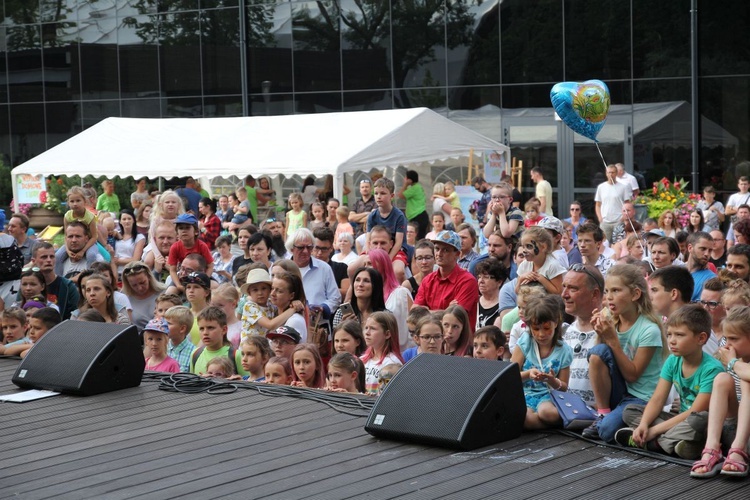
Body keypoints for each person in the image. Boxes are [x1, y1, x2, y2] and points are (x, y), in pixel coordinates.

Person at [614, 305, 723, 459]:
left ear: (701, 338)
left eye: (679, 335)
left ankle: (653, 443)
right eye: (669, 334)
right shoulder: (672, 361)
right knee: (630, 411)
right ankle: (677, 444)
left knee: (700, 419)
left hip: (700, 425)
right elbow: (658, 399)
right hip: (678, 421)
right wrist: (644, 424)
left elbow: (695, 411)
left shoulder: (712, 369)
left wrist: (654, 430)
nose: (672, 340)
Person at [583, 264, 665, 442]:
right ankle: (603, 413)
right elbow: (600, 358)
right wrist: (601, 334)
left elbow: (633, 375)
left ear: (635, 294)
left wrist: (613, 340)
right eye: (607, 291)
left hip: (642, 396)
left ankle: (643, 428)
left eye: (616, 291)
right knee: (598, 352)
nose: (609, 298)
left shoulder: (649, 329)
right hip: (621, 391)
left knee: (606, 432)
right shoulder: (612, 320)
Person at [689, 306, 750, 478]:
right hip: (734, 426)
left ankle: (738, 450)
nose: (728, 345)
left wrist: (732, 363)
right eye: (726, 339)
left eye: (734, 339)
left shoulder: (734, 360)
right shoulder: (736, 357)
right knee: (721, 379)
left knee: (747, 381)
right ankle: (711, 449)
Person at [511, 295, 573, 429]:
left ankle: (546, 422)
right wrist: (528, 374)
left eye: (546, 328)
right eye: (536, 329)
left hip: (549, 396)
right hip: (525, 395)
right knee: (525, 417)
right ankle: (547, 426)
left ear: (556, 323)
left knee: (547, 413)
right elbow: (509, 375)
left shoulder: (563, 350)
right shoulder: (525, 342)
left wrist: (552, 380)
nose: (541, 334)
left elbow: (564, 387)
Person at [414, 230, 479, 328]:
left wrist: (426, 311)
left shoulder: (467, 281)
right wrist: (445, 311)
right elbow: (414, 313)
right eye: (437, 248)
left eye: (445, 250)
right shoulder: (428, 280)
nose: (439, 253)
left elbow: (454, 319)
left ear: (457, 254)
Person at [561, 263, 604, 407]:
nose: (564, 295)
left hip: (598, 420)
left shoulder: (612, 332)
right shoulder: (563, 332)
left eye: (573, 288)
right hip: (566, 416)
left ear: (595, 294)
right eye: (564, 286)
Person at [287, 228, 341, 321]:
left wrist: (322, 308)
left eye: (309, 247)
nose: (305, 251)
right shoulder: (283, 268)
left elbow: (335, 298)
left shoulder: (324, 268)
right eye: (301, 248)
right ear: (291, 248)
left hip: (317, 325)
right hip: (288, 323)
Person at [369, 248, 413, 351]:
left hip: (402, 354)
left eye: (370, 263)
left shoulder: (401, 293)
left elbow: (414, 324)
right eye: (365, 264)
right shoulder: (367, 295)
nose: (367, 268)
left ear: (383, 265)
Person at [240, 268, 303, 340]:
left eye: (264, 288)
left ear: (269, 289)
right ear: (249, 293)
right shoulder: (249, 306)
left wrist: (293, 303)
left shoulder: (270, 303)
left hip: (263, 347)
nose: (260, 293)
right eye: (255, 290)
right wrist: (293, 309)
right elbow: (270, 325)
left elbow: (284, 305)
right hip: (249, 348)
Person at [26, 241, 79, 320]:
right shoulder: (27, 285)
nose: (49, 260)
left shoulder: (68, 287)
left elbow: (74, 315)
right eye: (44, 257)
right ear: (34, 261)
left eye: (52, 256)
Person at [189, 306, 245, 376]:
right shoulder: (195, 354)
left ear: (224, 329)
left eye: (210, 328)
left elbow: (248, 383)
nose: (205, 332)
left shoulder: (236, 355)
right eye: (201, 329)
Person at [167, 213, 214, 293]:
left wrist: (204, 280)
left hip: (201, 275)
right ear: (177, 233)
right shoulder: (175, 247)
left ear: (196, 231)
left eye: (187, 228)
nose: (184, 231)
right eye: (181, 228)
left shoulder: (202, 246)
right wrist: (178, 285)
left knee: (215, 286)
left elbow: (210, 266)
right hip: (183, 275)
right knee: (170, 292)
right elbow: (173, 270)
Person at [367, 177, 408, 267]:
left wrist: (388, 259)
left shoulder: (399, 216)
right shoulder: (372, 216)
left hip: (396, 250)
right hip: (376, 248)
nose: (378, 196)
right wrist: (369, 256)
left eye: (383, 193)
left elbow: (398, 242)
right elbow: (368, 240)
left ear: (392, 196)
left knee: (398, 270)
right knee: (352, 268)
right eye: (376, 193)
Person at [361, 311, 403, 396]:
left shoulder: (393, 363)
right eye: (366, 328)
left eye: (372, 328)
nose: (367, 333)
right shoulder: (362, 360)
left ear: (387, 334)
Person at [515, 226, 565, 295]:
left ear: (543, 247)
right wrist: (521, 278)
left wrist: (540, 278)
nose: (524, 251)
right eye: (523, 246)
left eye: (529, 246)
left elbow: (559, 293)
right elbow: (517, 292)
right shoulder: (524, 265)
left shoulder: (552, 265)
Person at [121, 261, 165, 330]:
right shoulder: (124, 296)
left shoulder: (164, 292)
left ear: (149, 277)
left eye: (142, 282)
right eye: (134, 285)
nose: (139, 288)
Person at [595, 164, 632, 243]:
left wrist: (623, 218)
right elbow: (598, 205)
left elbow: (627, 204)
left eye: (613, 172)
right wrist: (600, 218)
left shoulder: (623, 187)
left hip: (619, 221)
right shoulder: (601, 187)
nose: (610, 174)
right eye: (609, 172)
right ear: (606, 173)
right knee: (603, 244)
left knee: (619, 244)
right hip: (605, 222)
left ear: (616, 173)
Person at [313, 227, 350, 301]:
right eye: (316, 248)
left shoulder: (341, 267)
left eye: (324, 249)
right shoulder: (305, 267)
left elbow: (346, 292)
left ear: (331, 249)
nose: (319, 253)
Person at [270, 271, 308, 341]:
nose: (272, 293)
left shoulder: (295, 320)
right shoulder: (271, 311)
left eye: (279, 291)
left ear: (291, 296)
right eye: (272, 288)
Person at [397, 170, 429, 240]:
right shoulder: (417, 187)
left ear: (409, 180)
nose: (404, 179)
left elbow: (400, 195)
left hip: (418, 216)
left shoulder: (415, 188)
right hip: (417, 216)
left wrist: (405, 185)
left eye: (405, 178)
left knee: (417, 239)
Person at [684, 232, 716, 301]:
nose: (707, 254)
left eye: (710, 250)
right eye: (703, 249)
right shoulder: (677, 271)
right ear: (690, 248)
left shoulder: (711, 279)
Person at [475, 258, 506, 329]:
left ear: (499, 282)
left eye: (486, 277)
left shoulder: (504, 306)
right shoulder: (474, 302)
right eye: (479, 277)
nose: (481, 281)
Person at [164, 305, 195, 372]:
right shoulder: (162, 347)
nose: (164, 326)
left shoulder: (194, 352)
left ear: (182, 329)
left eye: (169, 323)